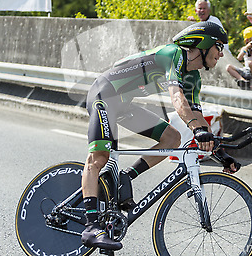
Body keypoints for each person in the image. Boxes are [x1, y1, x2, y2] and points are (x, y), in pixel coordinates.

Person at [80, 22, 237, 250]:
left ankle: (125, 177)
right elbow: (177, 99)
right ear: (203, 44)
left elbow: (198, 118)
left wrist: (219, 152)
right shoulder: (173, 54)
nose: (221, 54)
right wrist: (196, 128)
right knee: (99, 158)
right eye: (219, 46)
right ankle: (91, 226)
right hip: (104, 94)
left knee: (172, 139)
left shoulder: (194, 77)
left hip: (122, 104)